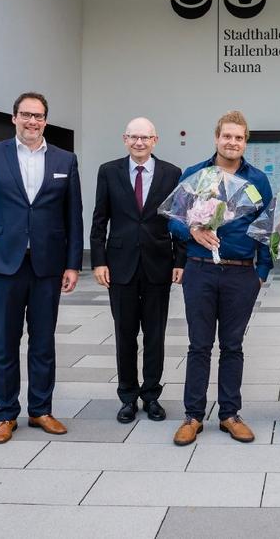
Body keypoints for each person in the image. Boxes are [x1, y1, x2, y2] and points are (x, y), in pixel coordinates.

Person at [0, 92, 83, 444]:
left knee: (43, 341)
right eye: (26, 115)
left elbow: (73, 215)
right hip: (4, 263)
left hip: (48, 264)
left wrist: (73, 264)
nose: (33, 121)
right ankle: (5, 414)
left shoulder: (65, 159)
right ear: (14, 117)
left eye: (39, 116)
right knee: (4, 341)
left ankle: (40, 410)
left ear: (46, 120)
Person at [169, 111, 272, 446]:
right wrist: (192, 230)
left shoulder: (257, 180)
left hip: (241, 274)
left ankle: (229, 414)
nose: (232, 142)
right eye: (227, 136)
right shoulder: (195, 174)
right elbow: (172, 219)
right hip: (200, 270)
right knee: (199, 345)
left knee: (233, 346)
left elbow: (267, 227)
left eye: (239, 138)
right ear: (216, 138)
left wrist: (261, 272)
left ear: (245, 142)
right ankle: (193, 416)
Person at [90, 117, 184, 424]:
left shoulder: (172, 173)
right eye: (133, 137)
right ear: (125, 139)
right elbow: (100, 218)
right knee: (125, 334)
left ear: (155, 140)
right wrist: (99, 261)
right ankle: (128, 397)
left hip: (159, 264)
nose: (139, 142)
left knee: (155, 335)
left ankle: (152, 395)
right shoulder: (109, 171)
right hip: (120, 266)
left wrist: (180, 261)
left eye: (145, 137)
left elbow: (180, 220)